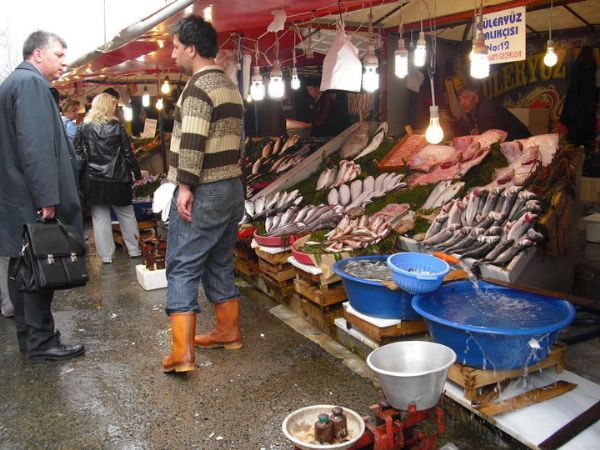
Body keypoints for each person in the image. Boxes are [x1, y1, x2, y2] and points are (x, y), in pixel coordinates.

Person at [162, 15, 245, 373]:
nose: (173, 53)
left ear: (192, 48)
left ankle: (181, 355)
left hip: (205, 188)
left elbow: (192, 142)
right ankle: (228, 332)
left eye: (176, 46)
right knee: (219, 259)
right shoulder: (229, 85)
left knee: (181, 265)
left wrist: (184, 187)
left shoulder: (197, 88)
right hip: (231, 187)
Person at [0, 30, 85, 362]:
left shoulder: (11, 84)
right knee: (38, 267)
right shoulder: (31, 85)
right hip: (30, 197)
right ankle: (40, 340)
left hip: (14, 195)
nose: (64, 62)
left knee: (20, 267)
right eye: (59, 55)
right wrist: (46, 197)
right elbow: (35, 148)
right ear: (38, 54)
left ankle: (31, 338)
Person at [74, 93, 142, 264]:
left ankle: (106, 256)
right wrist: (137, 172)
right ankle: (134, 249)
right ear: (109, 107)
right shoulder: (118, 127)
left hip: (94, 180)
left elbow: (79, 156)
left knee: (100, 217)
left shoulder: (83, 127)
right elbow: (127, 153)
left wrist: (76, 178)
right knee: (126, 214)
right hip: (119, 179)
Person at [455, 83, 531, 140]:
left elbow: (486, 140)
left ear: (477, 98)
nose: (461, 103)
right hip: (508, 143)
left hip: (523, 143)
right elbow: (473, 130)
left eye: (465, 98)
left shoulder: (488, 109)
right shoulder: (472, 110)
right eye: (460, 99)